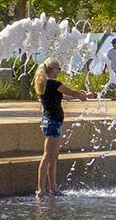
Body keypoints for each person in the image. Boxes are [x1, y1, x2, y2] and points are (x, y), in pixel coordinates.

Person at [33, 57, 93, 197]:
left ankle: (53, 189)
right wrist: (82, 95)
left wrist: (81, 96)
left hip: (53, 122)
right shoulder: (53, 83)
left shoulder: (46, 84)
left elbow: (64, 96)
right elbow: (71, 92)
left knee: (53, 157)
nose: (59, 71)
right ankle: (41, 189)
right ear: (51, 69)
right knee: (48, 156)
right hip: (52, 122)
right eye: (58, 68)